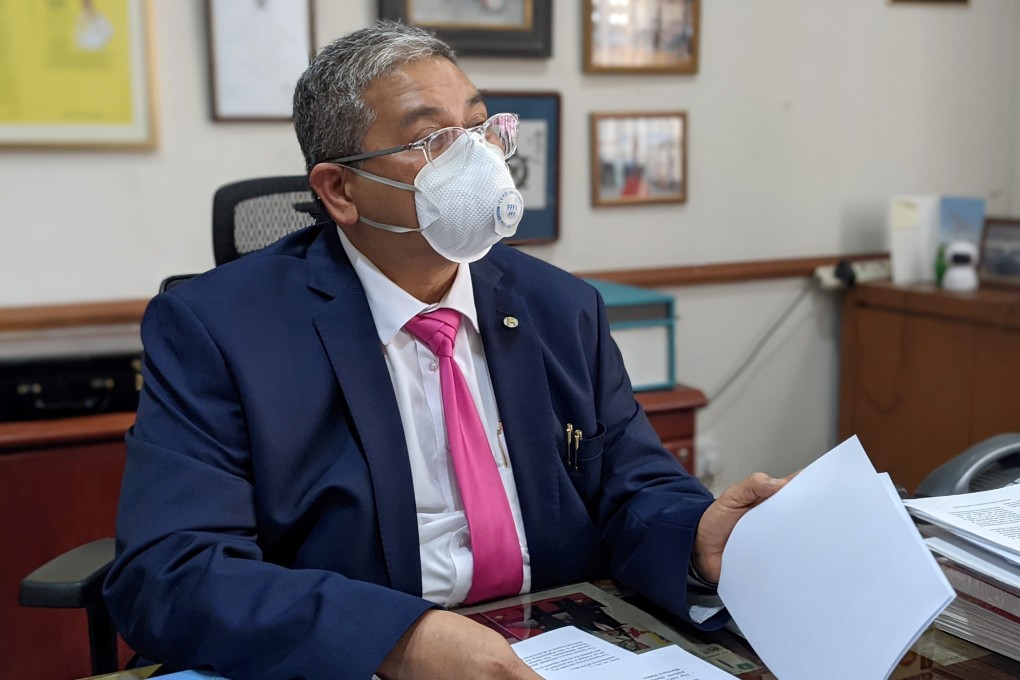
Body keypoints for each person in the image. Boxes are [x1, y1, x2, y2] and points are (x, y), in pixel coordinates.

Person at [104, 21, 789, 680]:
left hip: (555, 650)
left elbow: (633, 487)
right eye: (431, 139)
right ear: (339, 190)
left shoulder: (559, 307)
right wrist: (397, 638)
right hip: (360, 661)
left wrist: (694, 536)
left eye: (481, 127)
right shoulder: (219, 329)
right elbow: (171, 571)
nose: (478, 158)